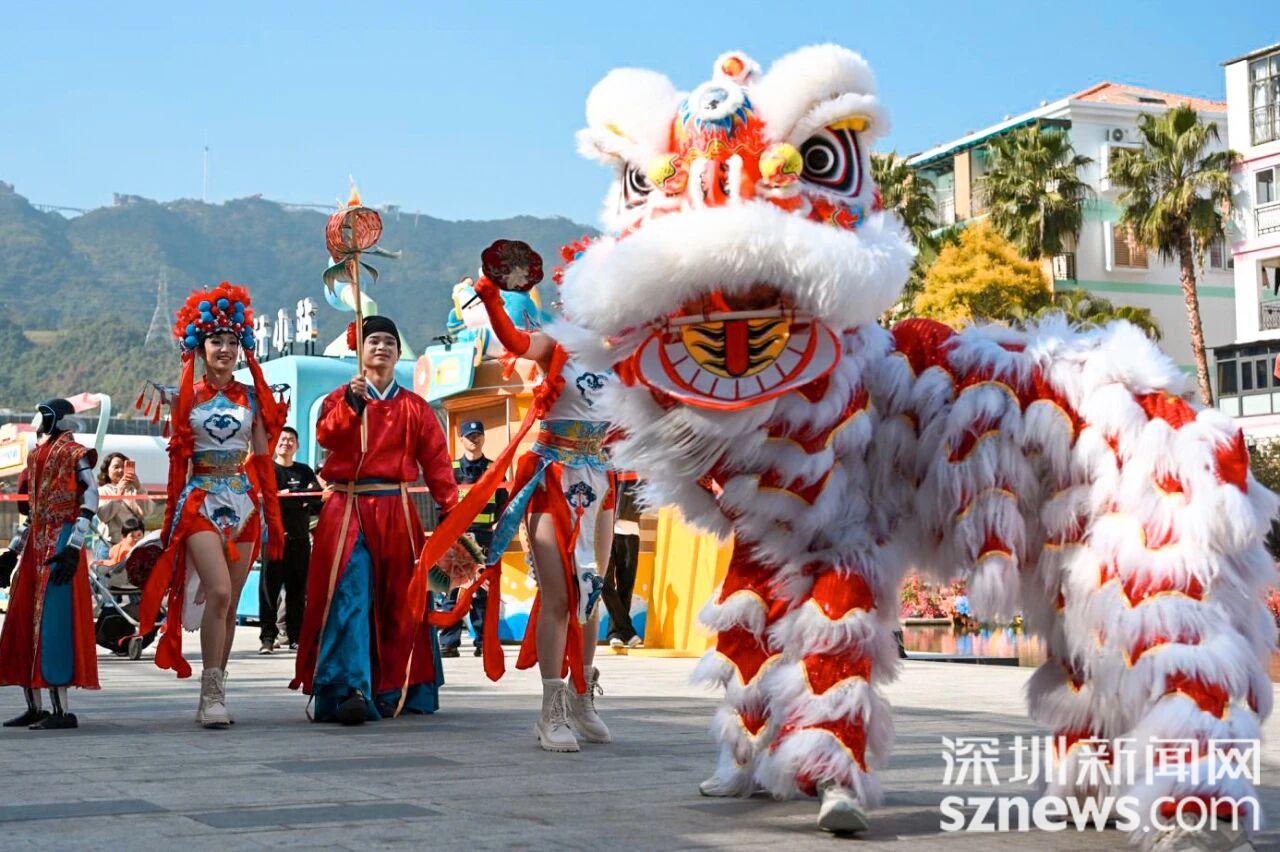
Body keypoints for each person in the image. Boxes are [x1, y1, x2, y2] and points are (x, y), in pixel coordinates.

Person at [429, 264, 616, 753]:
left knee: (591, 593)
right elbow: (512, 341)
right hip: (552, 474)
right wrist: (491, 297)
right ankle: (550, 710)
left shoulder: (625, 354)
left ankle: (581, 697)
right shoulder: (555, 344)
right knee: (559, 596)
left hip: (601, 476)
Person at [290, 315, 459, 725]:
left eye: (388, 341)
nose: (381, 347)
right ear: (359, 351)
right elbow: (327, 437)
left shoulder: (415, 407)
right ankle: (349, 689)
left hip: (397, 510)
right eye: (373, 341)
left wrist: (451, 514)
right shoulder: (338, 398)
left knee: (401, 602)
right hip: (347, 508)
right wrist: (352, 405)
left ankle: (395, 689)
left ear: (398, 353)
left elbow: (437, 464)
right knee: (349, 594)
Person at [136, 282, 286, 729]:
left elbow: (263, 459)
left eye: (232, 341)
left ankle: (215, 694)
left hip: (243, 503)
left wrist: (272, 517)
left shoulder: (253, 396)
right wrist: (170, 522)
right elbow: (177, 461)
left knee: (230, 603)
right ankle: (211, 691)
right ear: (199, 346)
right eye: (216, 341)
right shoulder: (185, 395)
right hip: (200, 500)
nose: (225, 349)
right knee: (218, 591)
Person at [0, 399, 100, 730]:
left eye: (44, 415)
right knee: (23, 617)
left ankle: (61, 710)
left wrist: (74, 544)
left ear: (55, 418)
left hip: (61, 542)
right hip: (38, 543)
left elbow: (91, 495)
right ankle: (35, 706)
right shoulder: (35, 456)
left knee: (54, 621)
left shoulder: (74, 452)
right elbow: (33, 513)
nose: (39, 420)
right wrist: (13, 552)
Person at [437, 420, 504, 658]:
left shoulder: (494, 468)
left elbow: (503, 503)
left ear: (484, 438)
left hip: (484, 537)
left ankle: (484, 642)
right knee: (451, 591)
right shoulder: (451, 469)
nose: (474, 440)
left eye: (478, 435)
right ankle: (449, 642)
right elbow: (441, 504)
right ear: (461, 439)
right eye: (470, 436)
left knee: (482, 591)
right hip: (456, 538)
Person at [258, 426, 322, 654]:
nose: (286, 443)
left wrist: (290, 497)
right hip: (274, 539)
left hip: (299, 538)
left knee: (297, 591)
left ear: (297, 445)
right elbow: (269, 501)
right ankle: (267, 638)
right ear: (275, 444)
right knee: (269, 591)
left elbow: (316, 501)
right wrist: (296, 497)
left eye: (291, 440)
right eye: (283, 439)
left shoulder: (304, 471)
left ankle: (296, 637)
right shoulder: (268, 470)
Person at [602, 473, 642, 649]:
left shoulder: (637, 461)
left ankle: (616, 633)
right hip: (601, 527)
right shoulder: (599, 462)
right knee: (604, 582)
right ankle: (627, 631)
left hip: (629, 527)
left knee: (626, 584)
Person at [96, 452, 154, 545]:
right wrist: (118, 494)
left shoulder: (134, 490)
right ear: (107, 471)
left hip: (134, 544)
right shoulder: (103, 490)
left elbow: (147, 512)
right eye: (116, 467)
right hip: (111, 544)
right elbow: (103, 516)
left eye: (124, 467)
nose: (121, 470)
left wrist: (139, 487)